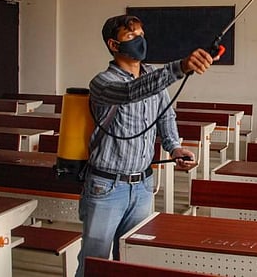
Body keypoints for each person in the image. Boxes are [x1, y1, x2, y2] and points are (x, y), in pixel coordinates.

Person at [75, 14, 213, 276]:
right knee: (95, 262)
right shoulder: (102, 83)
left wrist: (174, 147)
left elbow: (166, 115)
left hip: (143, 186)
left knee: (132, 259)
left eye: (141, 35)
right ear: (114, 45)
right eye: (131, 36)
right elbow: (130, 92)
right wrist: (180, 67)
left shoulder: (152, 76)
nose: (139, 40)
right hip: (106, 186)